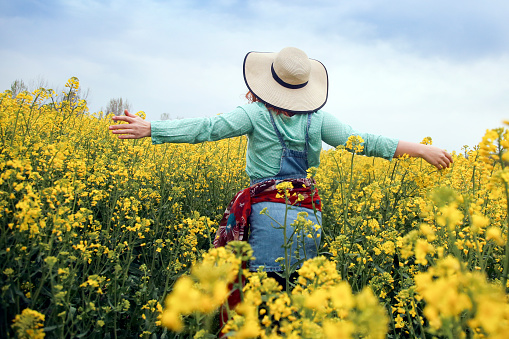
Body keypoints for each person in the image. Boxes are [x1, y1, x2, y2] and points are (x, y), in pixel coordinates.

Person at [109, 47, 453, 283]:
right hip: (308, 214)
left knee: (260, 294)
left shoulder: (254, 114)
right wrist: (422, 151)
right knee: (292, 295)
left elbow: (207, 128)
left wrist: (152, 128)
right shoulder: (319, 121)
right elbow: (366, 142)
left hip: (266, 213)